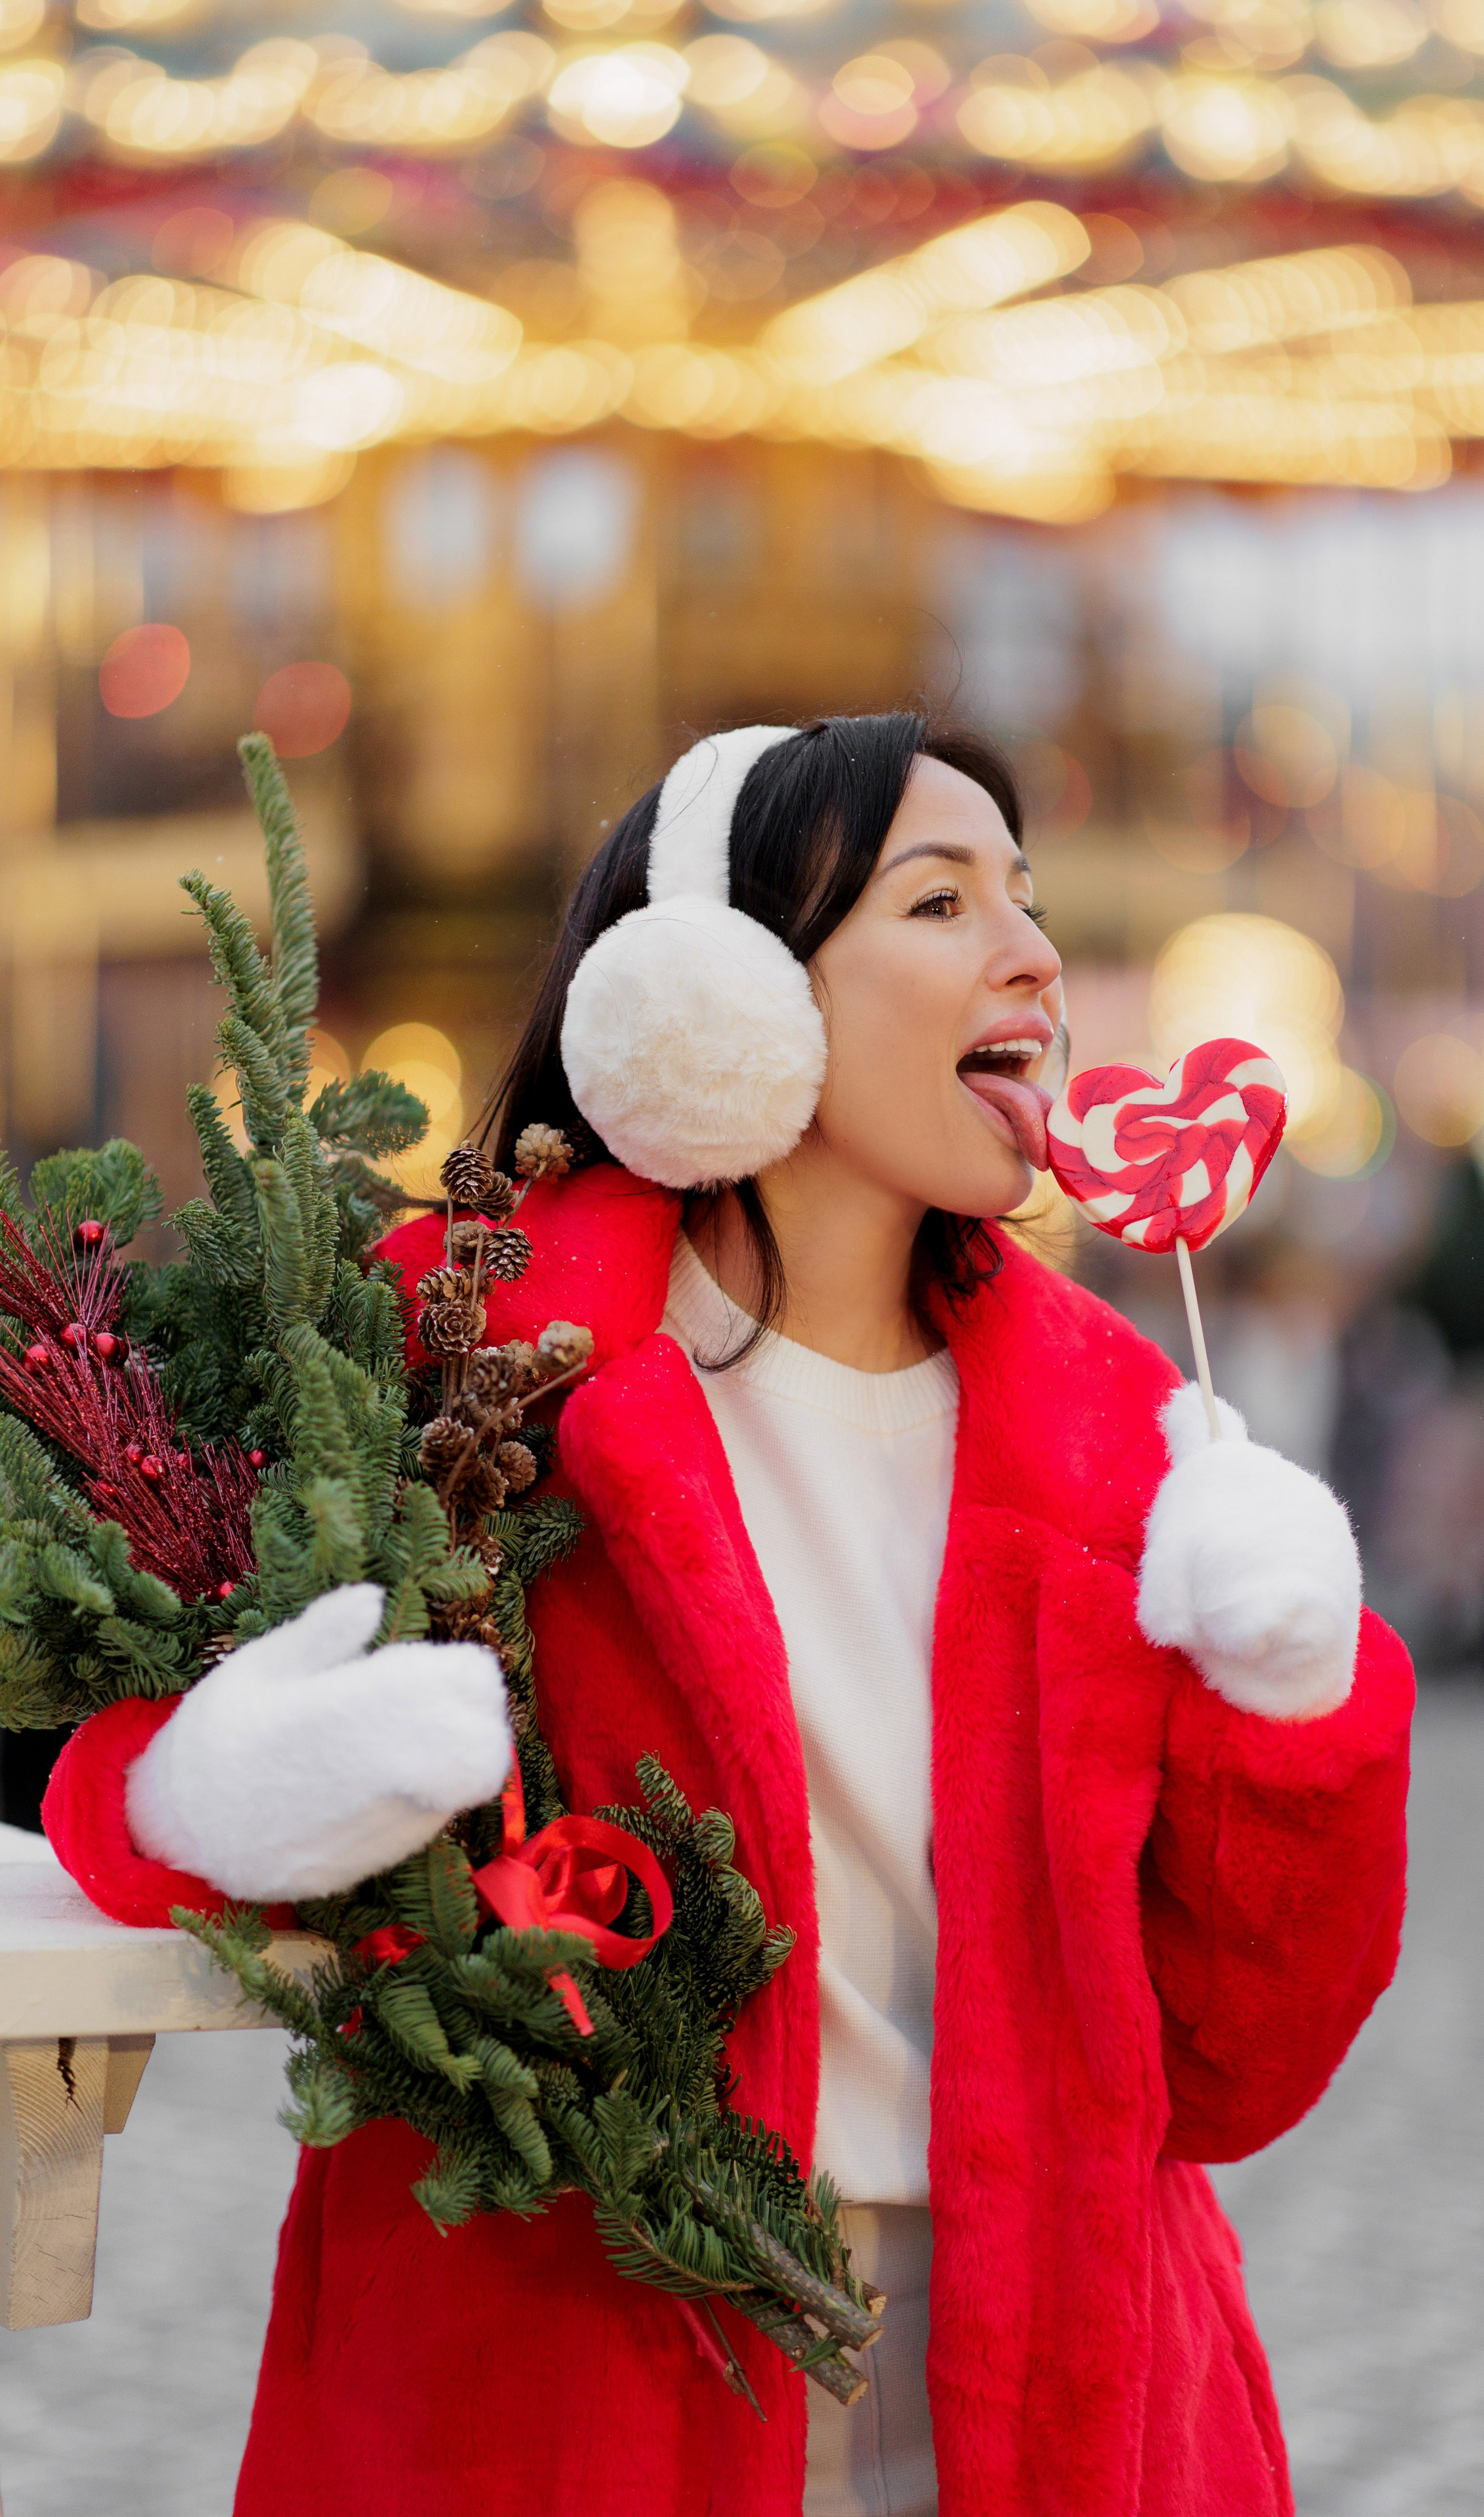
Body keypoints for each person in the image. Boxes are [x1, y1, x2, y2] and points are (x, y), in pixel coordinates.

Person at [44, 712, 1412, 2517]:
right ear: (726, 994)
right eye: (940, 902)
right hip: (566, 2376)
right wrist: (208, 1792)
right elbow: (112, 1749)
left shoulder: (1124, 1436)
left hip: (1048, 2373)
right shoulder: (461, 1346)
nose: (1032, 950)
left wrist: (1299, 1699)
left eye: (1029, 893)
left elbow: (1233, 2070)